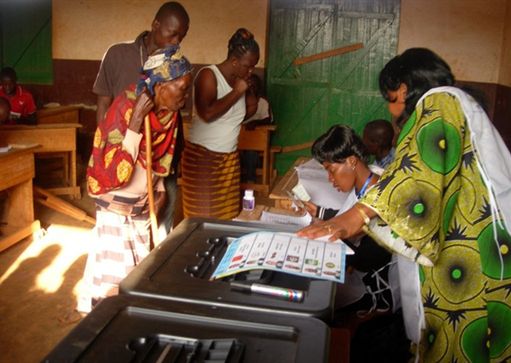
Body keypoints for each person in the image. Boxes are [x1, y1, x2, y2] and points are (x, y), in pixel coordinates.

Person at [298, 48, 511, 362]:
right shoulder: (452, 108)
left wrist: (353, 217)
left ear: (403, 88)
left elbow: (418, 178)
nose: (390, 106)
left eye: (389, 95)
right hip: (462, 252)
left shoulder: (441, 101)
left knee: (468, 340)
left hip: (475, 261)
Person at [78, 46, 193, 313]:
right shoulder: (126, 106)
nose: (185, 98)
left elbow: (164, 154)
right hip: (116, 205)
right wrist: (137, 121)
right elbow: (115, 172)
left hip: (144, 202)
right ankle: (105, 320)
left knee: (139, 269)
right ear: (160, 85)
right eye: (182, 89)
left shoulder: (170, 111)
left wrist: (161, 185)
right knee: (116, 277)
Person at [93, 1, 189, 234]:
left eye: (182, 37)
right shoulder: (118, 54)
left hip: (162, 163)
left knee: (159, 231)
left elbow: (173, 116)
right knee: (121, 235)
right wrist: (104, 151)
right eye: (172, 33)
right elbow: (103, 103)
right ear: (155, 25)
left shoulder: (175, 64)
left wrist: (162, 180)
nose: (176, 42)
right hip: (123, 159)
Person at [182, 28, 260, 219]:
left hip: (229, 161)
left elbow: (250, 108)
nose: (251, 71)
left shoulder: (240, 80)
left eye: (254, 67)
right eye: (247, 66)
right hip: (203, 160)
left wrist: (247, 90)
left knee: (227, 218)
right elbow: (207, 113)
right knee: (204, 221)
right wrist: (237, 91)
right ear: (234, 61)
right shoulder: (208, 75)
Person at [240, 73, 272, 183]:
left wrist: (255, 122)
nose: (252, 88)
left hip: (255, 138)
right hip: (240, 137)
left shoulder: (263, 102)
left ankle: (250, 180)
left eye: (254, 86)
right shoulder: (240, 101)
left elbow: (268, 119)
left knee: (251, 151)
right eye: (250, 86)